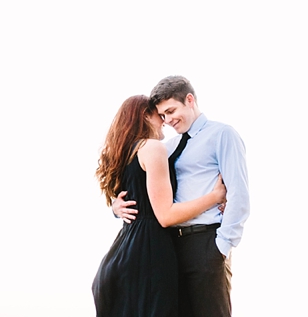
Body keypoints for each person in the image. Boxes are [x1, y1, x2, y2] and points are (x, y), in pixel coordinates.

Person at [113, 75, 250, 317]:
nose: (167, 120)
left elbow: (239, 194)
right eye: (162, 115)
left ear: (190, 100)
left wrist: (222, 246)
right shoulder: (167, 146)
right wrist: (115, 206)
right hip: (169, 248)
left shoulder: (222, 134)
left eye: (171, 110)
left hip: (206, 244)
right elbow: (141, 184)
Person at [92, 95, 226, 317]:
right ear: (145, 116)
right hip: (148, 255)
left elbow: (132, 200)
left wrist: (115, 209)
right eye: (160, 115)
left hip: (122, 254)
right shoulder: (152, 147)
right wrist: (215, 196)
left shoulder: (125, 153)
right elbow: (165, 215)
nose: (165, 120)